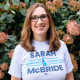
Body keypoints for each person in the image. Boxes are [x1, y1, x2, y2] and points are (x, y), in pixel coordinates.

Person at [8, 3, 74, 80]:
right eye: (34, 17)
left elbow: (69, 77)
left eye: (43, 16)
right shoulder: (20, 49)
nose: (39, 22)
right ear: (29, 22)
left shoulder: (61, 46)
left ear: (49, 20)